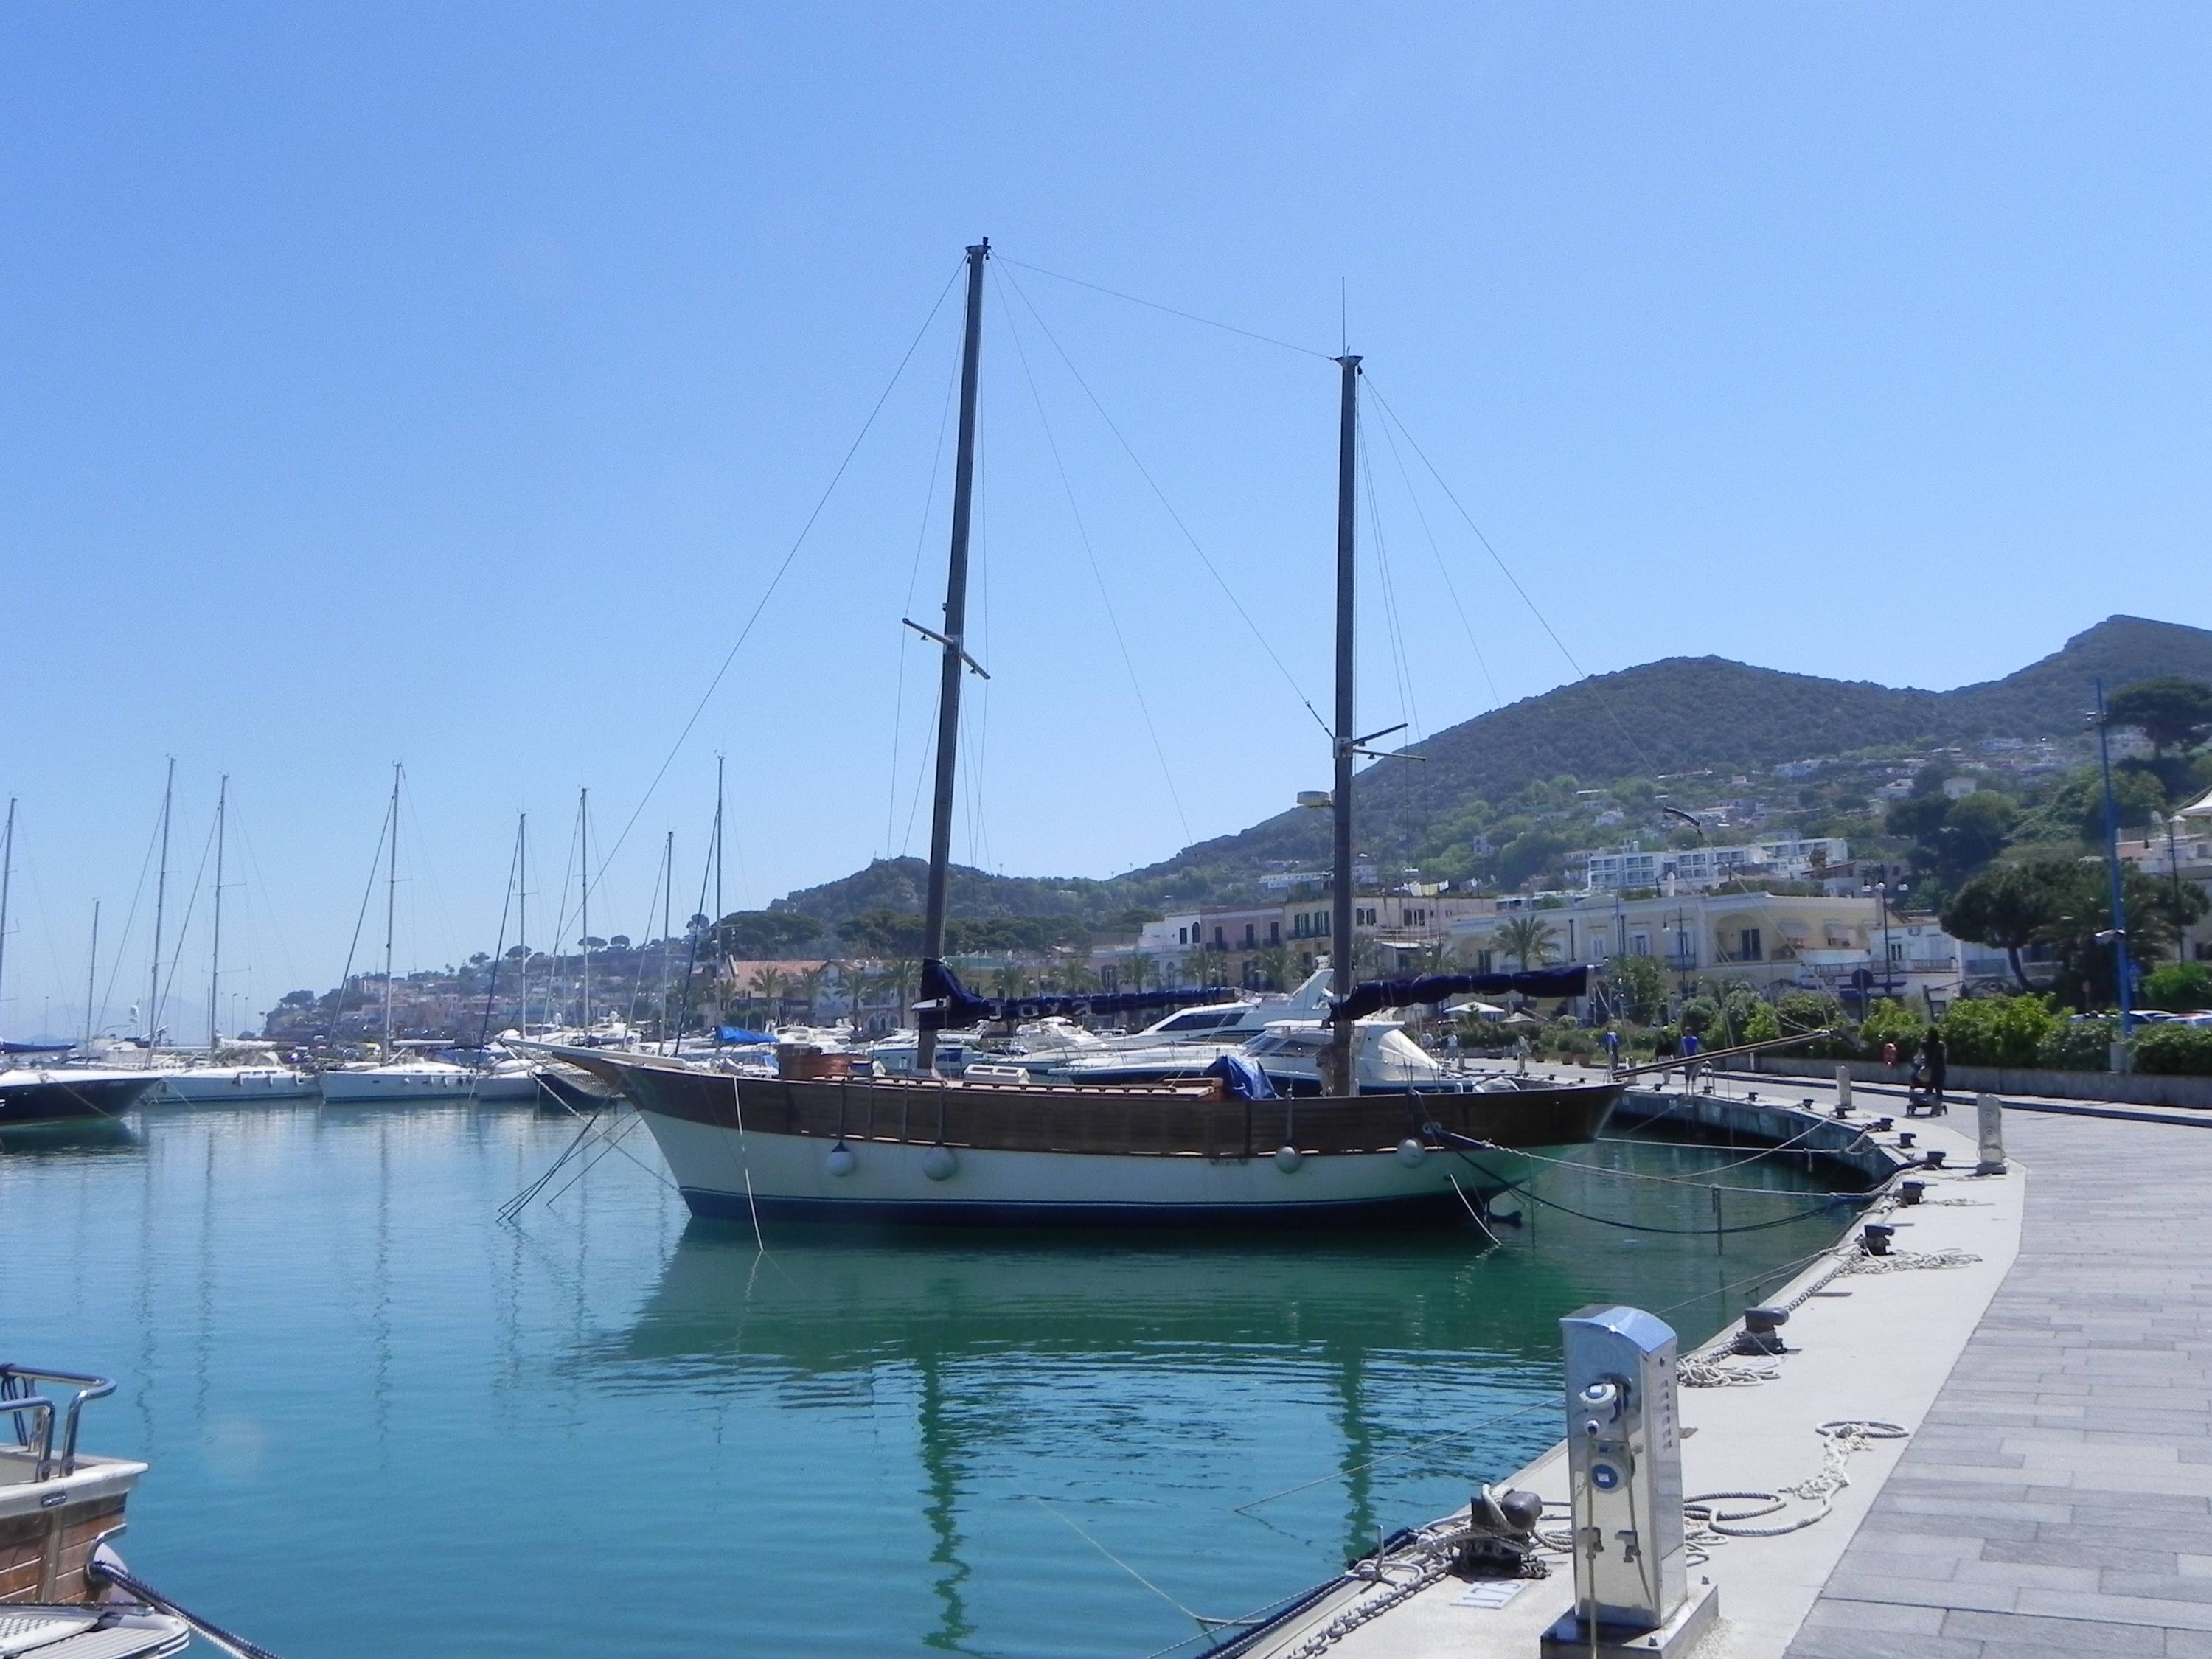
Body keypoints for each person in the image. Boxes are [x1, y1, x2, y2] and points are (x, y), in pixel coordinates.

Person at [1919, 1029, 1949, 1116]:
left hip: (1929, 1070)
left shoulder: (1924, 1044)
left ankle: (1934, 1106)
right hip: (1941, 1069)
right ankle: (1938, 1108)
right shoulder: (1942, 1045)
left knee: (1928, 1091)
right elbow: (1945, 1057)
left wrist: (1919, 1063)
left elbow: (1919, 1056)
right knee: (1939, 1090)